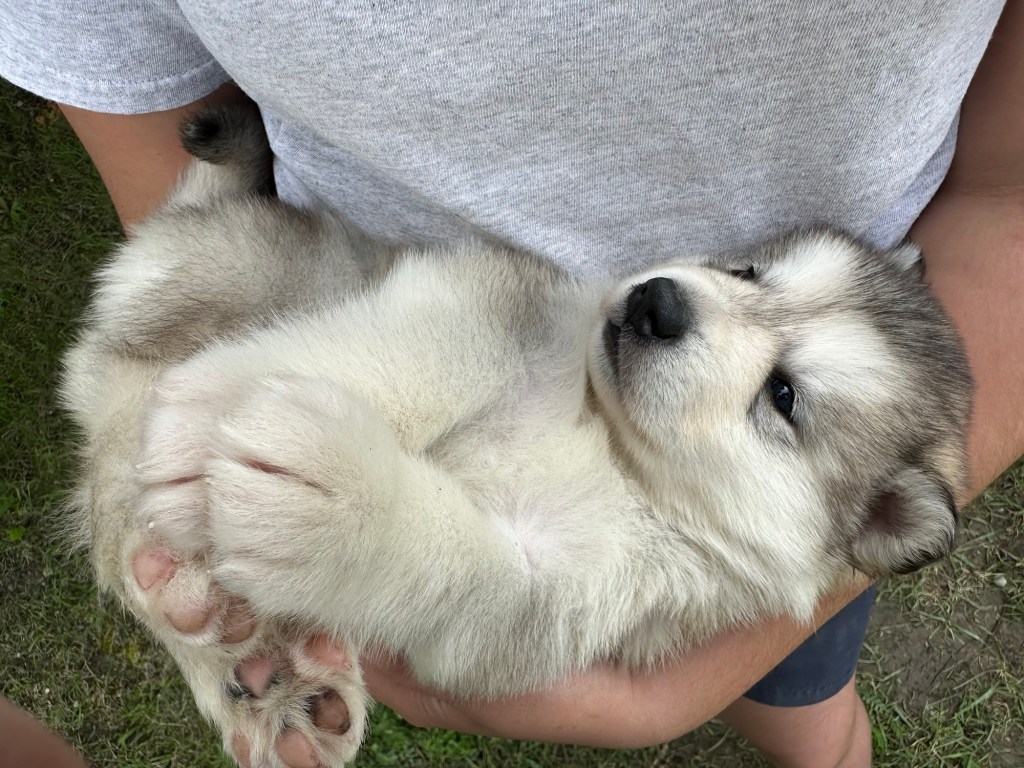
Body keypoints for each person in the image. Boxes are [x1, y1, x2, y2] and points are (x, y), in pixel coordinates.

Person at [2, 2, 1021, 766]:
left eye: (782, 396)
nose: (692, 299)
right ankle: (168, 528)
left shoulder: (687, 557)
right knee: (175, 360)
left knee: (800, 688)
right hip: (321, 263)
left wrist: (375, 529)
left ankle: (824, 745)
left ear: (866, 523)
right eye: (750, 276)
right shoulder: (571, 324)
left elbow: (505, 597)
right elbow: (466, 322)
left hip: (348, 346)